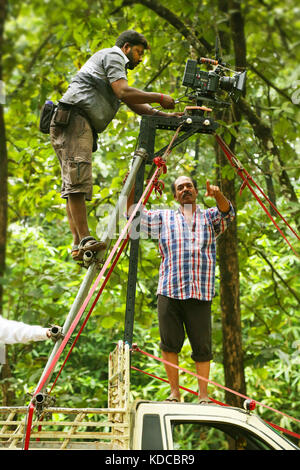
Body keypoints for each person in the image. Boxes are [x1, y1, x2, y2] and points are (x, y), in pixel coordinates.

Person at [50, 30, 181, 262]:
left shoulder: (113, 70)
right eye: (139, 53)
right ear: (127, 47)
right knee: (77, 180)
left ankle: (78, 244)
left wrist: (165, 116)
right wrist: (160, 96)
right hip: (75, 119)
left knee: (72, 182)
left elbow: (132, 101)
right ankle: (84, 239)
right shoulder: (114, 56)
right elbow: (123, 91)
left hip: (74, 121)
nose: (139, 59)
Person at [129, 175, 235, 404]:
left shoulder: (209, 217)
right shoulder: (164, 217)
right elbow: (134, 216)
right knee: (169, 343)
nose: (185, 189)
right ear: (175, 195)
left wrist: (217, 194)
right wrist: (133, 186)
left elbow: (228, 214)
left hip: (200, 290)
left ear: (196, 192)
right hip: (169, 289)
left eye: (189, 186)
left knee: (202, 346)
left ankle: (204, 395)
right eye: (180, 187)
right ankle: (175, 393)